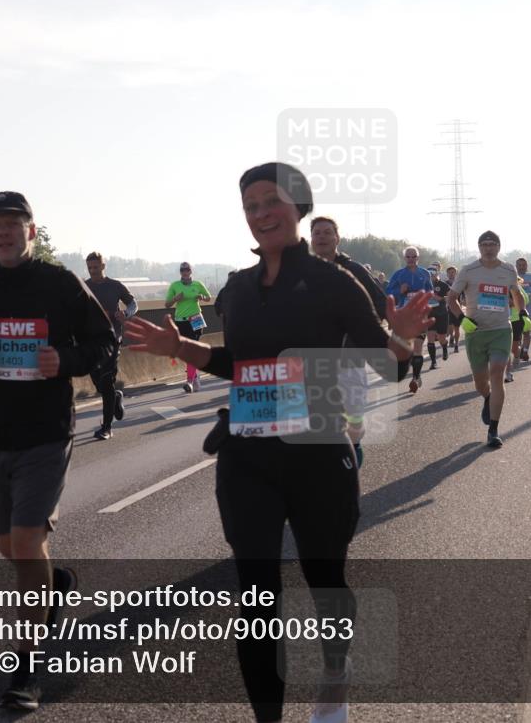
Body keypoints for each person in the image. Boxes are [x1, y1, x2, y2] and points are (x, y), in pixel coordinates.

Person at [125, 162, 431, 723]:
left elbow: (382, 363)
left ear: (298, 207)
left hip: (318, 453)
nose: (261, 213)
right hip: (247, 457)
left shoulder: (333, 281)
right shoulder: (236, 289)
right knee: (256, 594)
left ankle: (334, 673)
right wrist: (181, 348)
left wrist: (404, 340)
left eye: (272, 202)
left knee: (324, 578)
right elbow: (236, 365)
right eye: (251, 206)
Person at [0, 191, 116, 711]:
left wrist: (66, 359)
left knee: (27, 540)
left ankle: (28, 666)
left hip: (45, 433)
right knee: (10, 550)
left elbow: (105, 342)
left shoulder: (60, 283)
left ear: (32, 231)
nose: (4, 233)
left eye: (14, 224)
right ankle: (54, 583)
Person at [310, 216, 388, 468]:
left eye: (327, 232)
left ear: (337, 239)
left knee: (353, 420)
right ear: (311, 239)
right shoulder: (300, 271)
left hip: (350, 356)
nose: (321, 236)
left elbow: (380, 304)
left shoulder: (354, 271)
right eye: (316, 233)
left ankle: (352, 451)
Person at [446, 231, 523, 448]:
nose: (488, 248)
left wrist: (522, 312)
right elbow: (451, 298)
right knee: (481, 382)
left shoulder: (508, 269)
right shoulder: (469, 271)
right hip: (476, 333)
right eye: (484, 244)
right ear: (479, 247)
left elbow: (516, 293)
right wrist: (462, 319)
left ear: (499, 246)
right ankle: (487, 397)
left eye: (492, 244)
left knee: (497, 372)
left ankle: (493, 430)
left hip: (501, 330)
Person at [84, 252, 137, 440]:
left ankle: (106, 427)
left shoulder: (114, 286)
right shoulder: (84, 286)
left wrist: (127, 314)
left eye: (96, 267)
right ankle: (115, 397)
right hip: (90, 342)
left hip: (112, 340)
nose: (93, 271)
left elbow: (133, 303)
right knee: (100, 384)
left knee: (106, 382)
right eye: (90, 268)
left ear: (103, 266)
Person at [386, 247, 433, 393]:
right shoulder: (398, 275)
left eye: (414, 257)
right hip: (403, 316)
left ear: (418, 258)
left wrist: (426, 299)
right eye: (408, 257)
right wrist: (399, 291)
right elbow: (388, 292)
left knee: (418, 347)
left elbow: (430, 292)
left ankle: (416, 378)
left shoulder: (425, 273)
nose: (411, 259)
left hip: (419, 316)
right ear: (404, 258)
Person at [165, 262, 212, 392]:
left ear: (191, 271)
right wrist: (175, 298)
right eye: (182, 270)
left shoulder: (198, 284)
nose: (185, 272)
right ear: (180, 272)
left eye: (187, 269)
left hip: (196, 319)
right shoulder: (175, 285)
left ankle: (189, 381)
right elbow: (167, 304)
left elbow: (209, 297)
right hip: (181, 321)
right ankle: (194, 375)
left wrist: (202, 297)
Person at [427, 266, 451, 369]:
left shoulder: (443, 285)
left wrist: (439, 298)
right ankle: (433, 362)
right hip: (429, 315)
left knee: (442, 339)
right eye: (429, 274)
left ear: (437, 273)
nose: (431, 275)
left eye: (433, 273)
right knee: (430, 338)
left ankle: (444, 347)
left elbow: (450, 297)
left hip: (442, 314)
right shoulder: (425, 285)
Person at [515, 258, 531, 361]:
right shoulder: (512, 277)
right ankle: (518, 350)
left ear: (527, 266)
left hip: (528, 311)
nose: (521, 267)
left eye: (524, 265)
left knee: (526, 333)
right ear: (516, 266)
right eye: (519, 265)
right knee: (517, 335)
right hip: (515, 312)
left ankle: (525, 351)